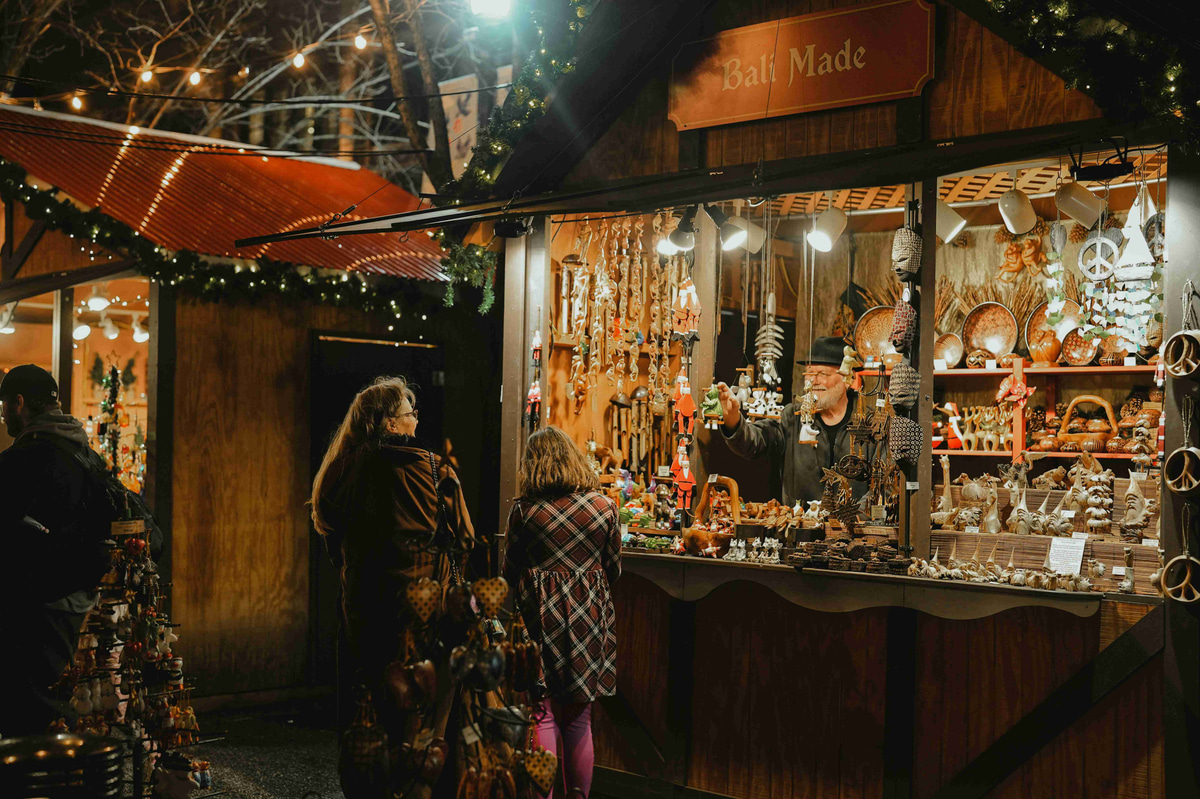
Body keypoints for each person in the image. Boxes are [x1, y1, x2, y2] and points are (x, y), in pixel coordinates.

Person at [311, 376, 475, 797]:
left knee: (367, 709)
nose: (416, 418)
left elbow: (331, 537)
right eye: (409, 412)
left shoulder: (339, 470)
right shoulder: (431, 468)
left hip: (363, 612)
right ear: (388, 422)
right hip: (420, 617)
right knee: (418, 715)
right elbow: (465, 539)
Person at [503, 427, 621, 799]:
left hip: (538, 618)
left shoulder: (524, 512)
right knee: (580, 717)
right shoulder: (605, 507)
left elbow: (509, 571)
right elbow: (613, 567)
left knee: (542, 713)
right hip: (590, 618)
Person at [0, 365, 100, 735]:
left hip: (34, 602)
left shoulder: (26, 457)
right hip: (74, 596)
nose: (3, 412)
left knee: (30, 704)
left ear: (20, 403)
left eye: (4, 404)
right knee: (58, 693)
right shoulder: (81, 450)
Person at [716, 336, 868, 507]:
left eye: (822, 374)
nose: (813, 380)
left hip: (855, 529)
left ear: (848, 379)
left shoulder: (867, 423)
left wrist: (859, 516)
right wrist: (733, 419)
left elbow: (882, 484)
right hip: (801, 527)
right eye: (809, 372)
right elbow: (756, 441)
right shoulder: (792, 417)